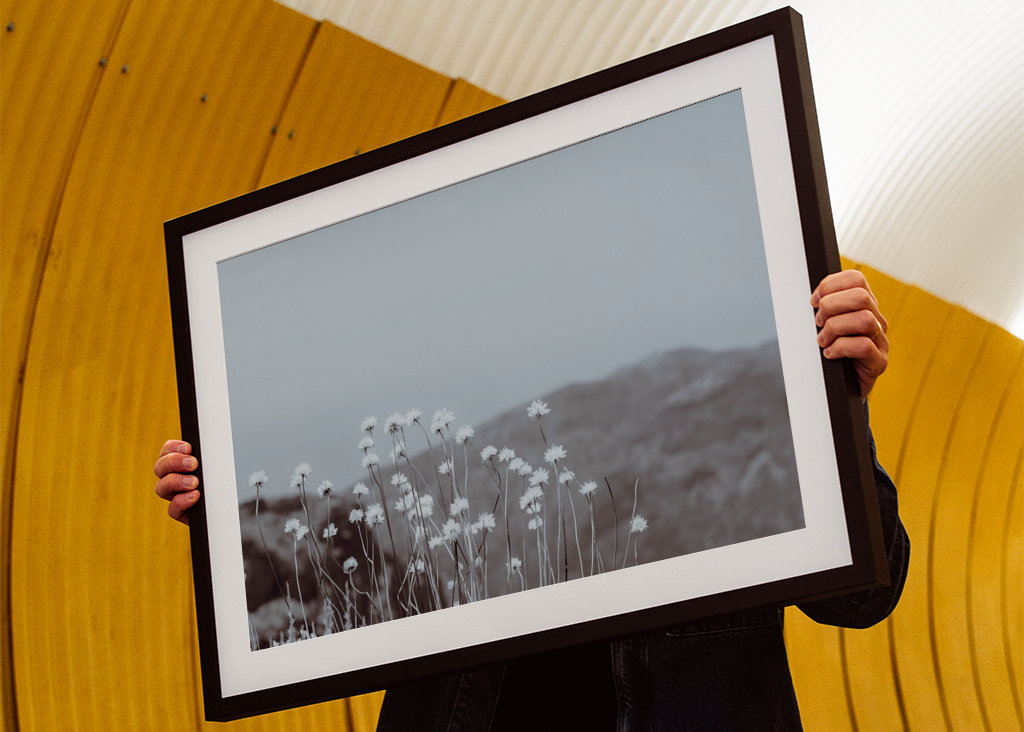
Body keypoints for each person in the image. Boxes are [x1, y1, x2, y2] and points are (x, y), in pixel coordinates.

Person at [154, 269, 909, 730]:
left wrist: (840, 406)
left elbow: (866, 596)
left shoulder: (753, 413)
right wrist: (229, 511)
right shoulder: (450, 486)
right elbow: (375, 599)